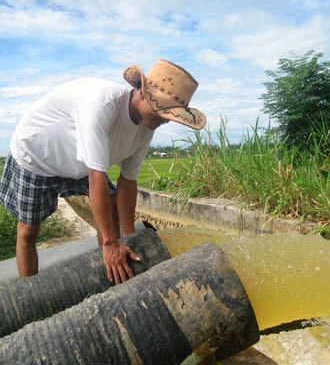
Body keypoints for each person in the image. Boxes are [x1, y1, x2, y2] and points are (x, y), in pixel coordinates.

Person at [0, 59, 206, 284]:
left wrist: (129, 238)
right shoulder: (102, 103)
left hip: (78, 161)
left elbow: (128, 181)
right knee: (28, 230)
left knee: (112, 205)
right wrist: (110, 244)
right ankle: (28, 293)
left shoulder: (148, 125)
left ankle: (111, 274)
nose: (165, 121)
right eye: (162, 112)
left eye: (169, 116)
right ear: (142, 93)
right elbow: (96, 177)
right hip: (38, 155)